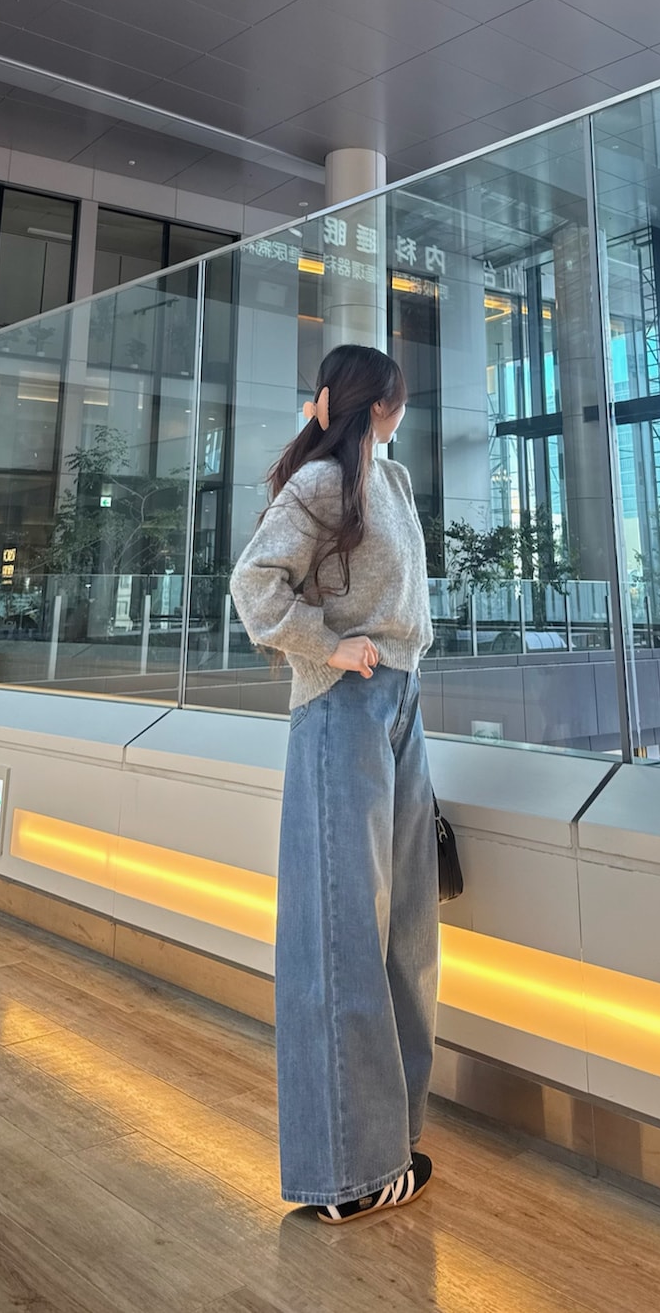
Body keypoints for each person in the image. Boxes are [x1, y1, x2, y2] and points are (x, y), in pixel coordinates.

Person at [229, 344, 439, 1224]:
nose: (402, 409)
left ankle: (388, 1138)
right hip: (343, 707)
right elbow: (253, 584)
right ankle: (348, 1173)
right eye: (396, 397)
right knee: (341, 934)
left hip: (400, 701)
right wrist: (329, 646)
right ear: (377, 404)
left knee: (406, 933)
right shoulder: (321, 482)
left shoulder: (389, 481)